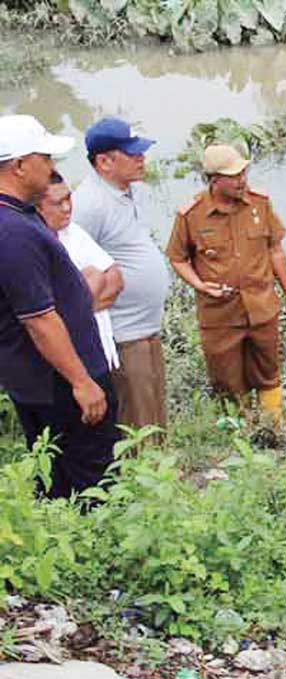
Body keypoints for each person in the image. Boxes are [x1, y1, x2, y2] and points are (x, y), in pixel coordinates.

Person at [0, 115, 119, 498]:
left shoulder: (20, 216)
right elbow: (39, 319)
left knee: (63, 478)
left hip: (49, 381)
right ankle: (96, 552)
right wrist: (82, 381)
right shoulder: (12, 231)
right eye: (45, 158)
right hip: (60, 386)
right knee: (90, 482)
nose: (52, 168)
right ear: (19, 165)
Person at [165, 144, 286, 426]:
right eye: (234, 175)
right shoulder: (191, 216)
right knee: (227, 380)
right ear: (214, 180)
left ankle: (273, 426)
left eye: (244, 172)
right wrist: (200, 285)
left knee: (269, 370)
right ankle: (241, 435)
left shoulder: (260, 204)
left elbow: (275, 249)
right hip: (220, 315)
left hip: (261, 307)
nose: (242, 180)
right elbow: (177, 258)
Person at [72, 117, 170, 432]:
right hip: (122, 334)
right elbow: (75, 269)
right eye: (132, 153)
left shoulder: (125, 193)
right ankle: (144, 477)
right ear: (104, 161)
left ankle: (161, 474)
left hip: (144, 329)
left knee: (153, 410)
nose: (142, 159)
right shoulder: (89, 204)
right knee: (136, 419)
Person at [37, 172, 124, 372]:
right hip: (65, 364)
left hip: (102, 351)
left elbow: (115, 279)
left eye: (68, 198)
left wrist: (74, 312)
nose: (67, 208)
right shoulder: (30, 243)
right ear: (37, 207)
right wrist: (93, 283)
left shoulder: (73, 233)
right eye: (57, 203)